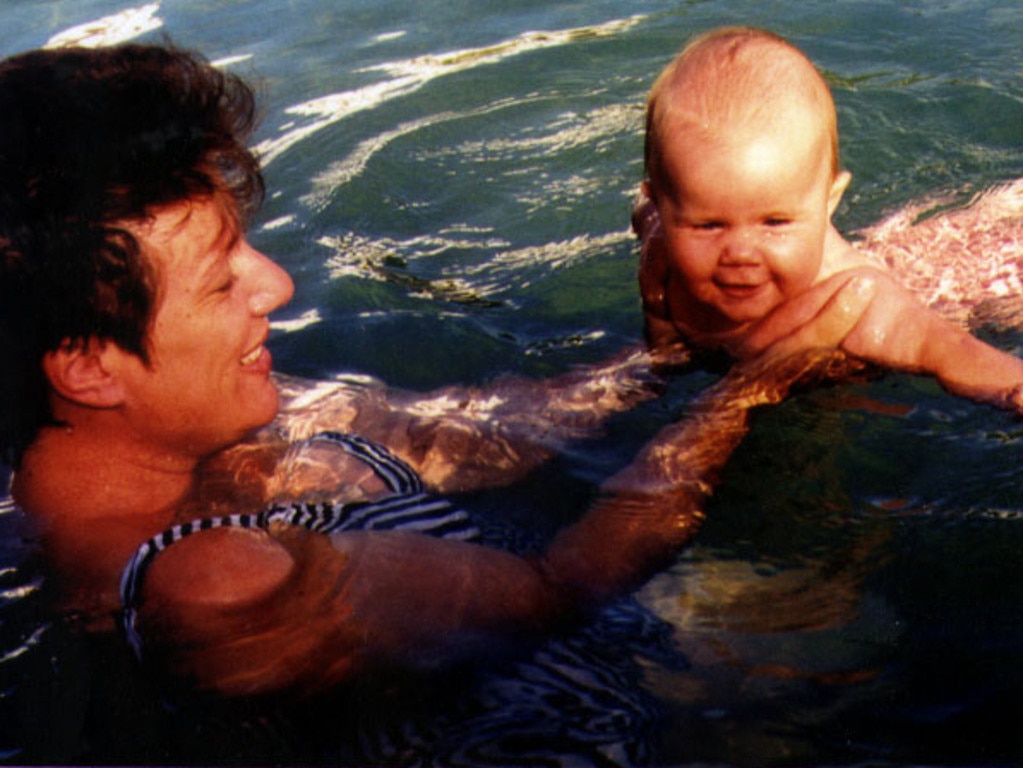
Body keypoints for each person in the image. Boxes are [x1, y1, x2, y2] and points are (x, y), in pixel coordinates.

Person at [0, 39, 863, 725]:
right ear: (86, 367)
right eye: (223, 282)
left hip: (553, 628)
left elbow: (476, 438)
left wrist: (670, 355)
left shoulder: (177, 427)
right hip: (593, 702)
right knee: (852, 628)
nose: (277, 286)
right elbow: (562, 589)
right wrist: (755, 385)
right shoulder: (212, 585)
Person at [633, 26, 1023, 410]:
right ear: (661, 206)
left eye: (775, 223)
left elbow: (947, 349)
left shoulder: (855, 301)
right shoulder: (659, 235)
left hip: (975, 282)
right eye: (709, 225)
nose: (740, 253)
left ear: (829, 201)